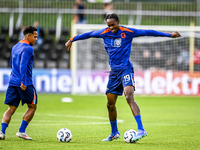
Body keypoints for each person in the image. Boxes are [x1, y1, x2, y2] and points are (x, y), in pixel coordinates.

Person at [65, 13, 181, 142]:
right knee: (110, 104)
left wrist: (169, 35)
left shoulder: (127, 32)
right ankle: (114, 133)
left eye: (113, 25)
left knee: (129, 97)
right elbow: (88, 34)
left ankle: (141, 129)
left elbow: (147, 32)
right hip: (114, 73)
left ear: (118, 22)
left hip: (126, 69)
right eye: (109, 25)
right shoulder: (104, 32)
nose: (111, 28)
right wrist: (72, 39)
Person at [0, 26, 38, 140]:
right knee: (32, 106)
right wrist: (23, 81)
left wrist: (16, 78)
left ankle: (2, 132)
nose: (36, 39)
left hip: (12, 82)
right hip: (24, 82)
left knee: (11, 109)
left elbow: (12, 63)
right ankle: (21, 131)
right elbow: (22, 65)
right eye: (35, 37)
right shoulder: (28, 48)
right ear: (28, 36)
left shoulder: (15, 46)